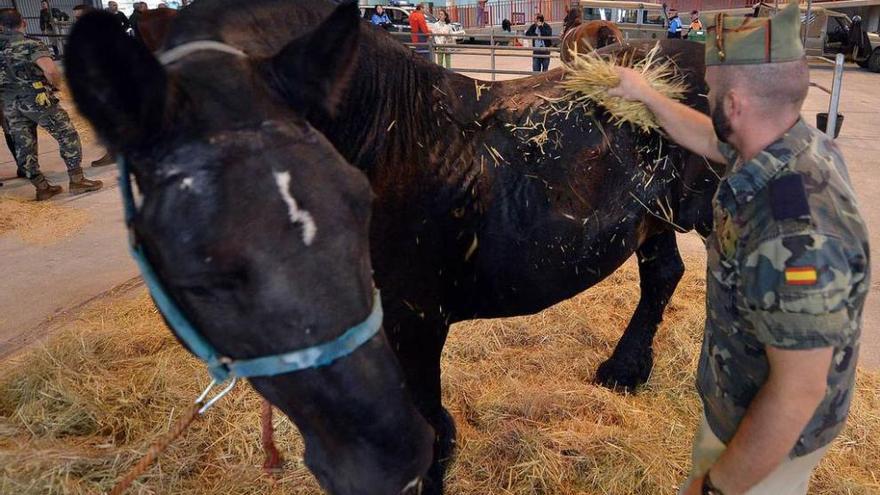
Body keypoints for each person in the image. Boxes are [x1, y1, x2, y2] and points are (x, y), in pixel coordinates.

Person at [609, 3, 869, 494]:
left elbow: (797, 392)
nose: (706, 97)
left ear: (735, 106)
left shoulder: (796, 232)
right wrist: (645, 95)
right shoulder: (787, 141)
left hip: (770, 447)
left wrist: (717, 487)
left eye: (711, 91)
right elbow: (711, 137)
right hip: (738, 408)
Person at [0, 9, 102, 200]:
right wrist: (56, 86)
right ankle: (77, 180)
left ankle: (42, 188)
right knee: (66, 134)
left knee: (23, 143)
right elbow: (51, 70)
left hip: (9, 104)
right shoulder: (31, 44)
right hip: (37, 99)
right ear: (23, 22)